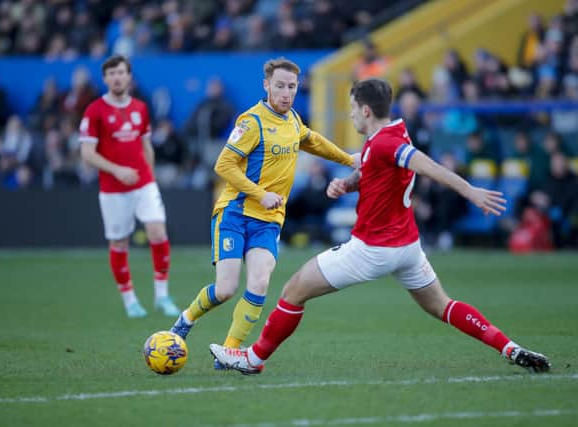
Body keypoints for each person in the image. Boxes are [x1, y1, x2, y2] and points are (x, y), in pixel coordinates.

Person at [210, 78, 551, 375]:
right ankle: (509, 348)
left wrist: (470, 190)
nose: (351, 114)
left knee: (293, 290)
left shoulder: (390, 142)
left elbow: (424, 164)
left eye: (353, 109)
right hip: (407, 248)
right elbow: (378, 170)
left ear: (366, 111)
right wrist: (349, 183)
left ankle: (252, 358)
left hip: (372, 249)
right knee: (441, 306)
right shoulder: (391, 130)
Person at [170, 57, 358, 368]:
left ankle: (228, 351)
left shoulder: (294, 120)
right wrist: (260, 194)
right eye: (280, 86)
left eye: (292, 87)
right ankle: (185, 320)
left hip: (268, 220)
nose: (286, 93)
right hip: (235, 212)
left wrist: (348, 160)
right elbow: (223, 165)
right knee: (226, 289)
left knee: (259, 282)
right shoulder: (250, 121)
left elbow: (311, 140)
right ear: (266, 85)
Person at [78, 54, 180, 319]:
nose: (116, 77)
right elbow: (87, 153)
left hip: (144, 183)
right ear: (105, 79)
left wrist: (151, 176)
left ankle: (162, 296)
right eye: (111, 74)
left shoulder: (140, 108)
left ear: (129, 76)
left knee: (157, 231)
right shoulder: (94, 111)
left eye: (121, 72)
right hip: (113, 189)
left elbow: (146, 145)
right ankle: (130, 300)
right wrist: (117, 170)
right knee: (119, 242)